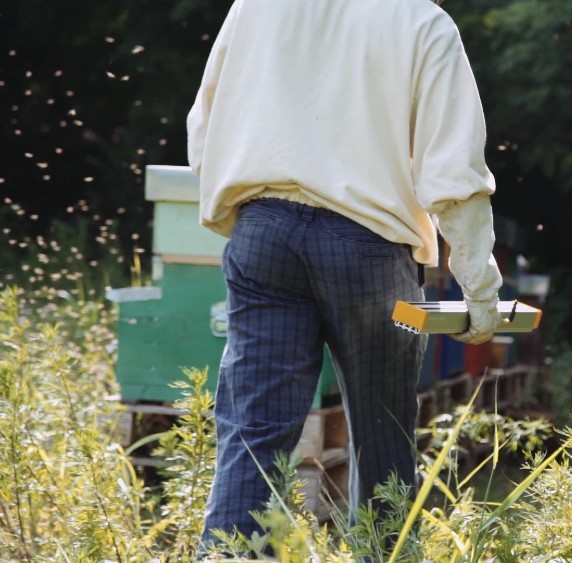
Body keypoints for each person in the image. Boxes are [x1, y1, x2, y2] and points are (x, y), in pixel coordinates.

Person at [186, 0, 503, 554]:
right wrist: (480, 289)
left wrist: (252, 217)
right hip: (368, 249)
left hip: (262, 234)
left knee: (253, 435)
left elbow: (204, 129)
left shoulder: (256, 7)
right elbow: (454, 177)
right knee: (383, 438)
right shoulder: (422, 22)